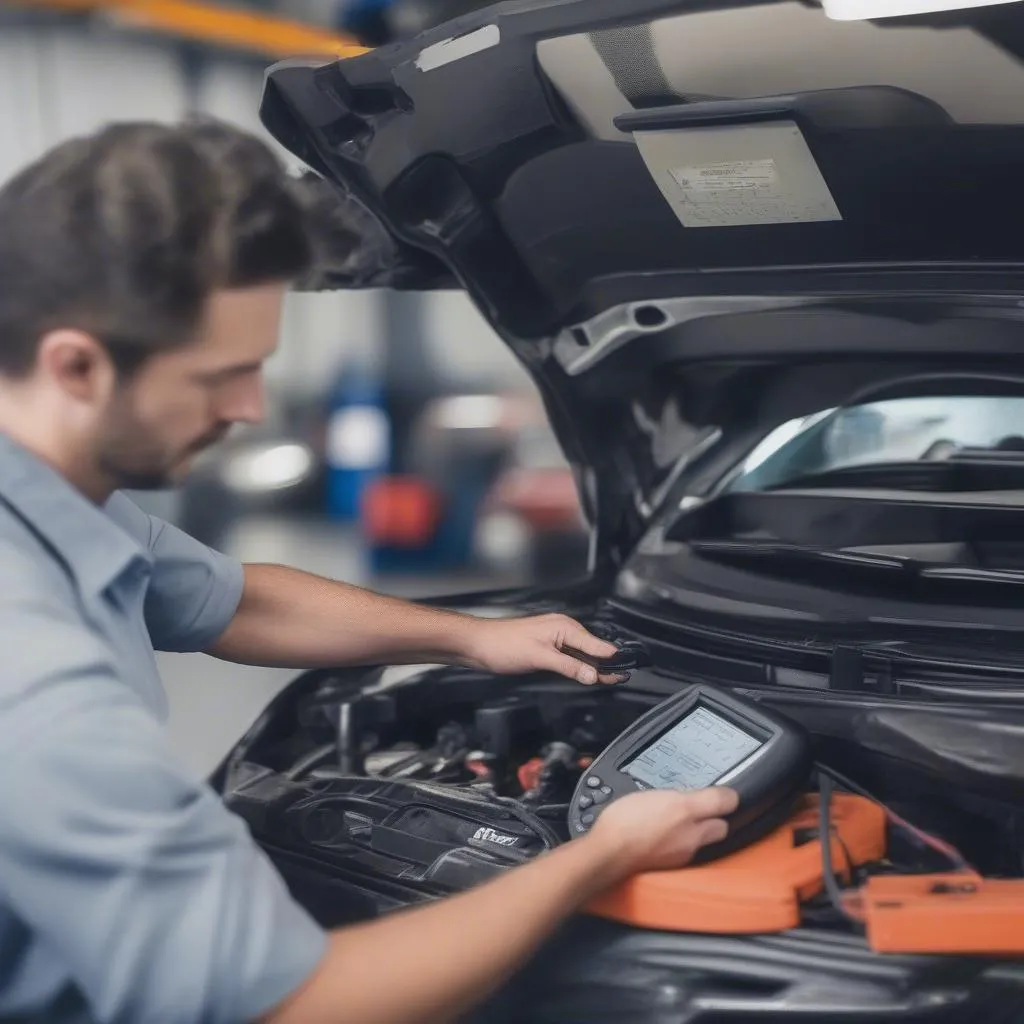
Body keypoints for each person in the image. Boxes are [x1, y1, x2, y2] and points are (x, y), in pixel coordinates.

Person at [0, 119, 739, 1024]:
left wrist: (474, 639)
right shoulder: (35, 682)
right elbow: (300, 1006)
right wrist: (598, 859)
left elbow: (232, 600)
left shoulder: (55, 501)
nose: (248, 407)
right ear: (74, 365)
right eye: (221, 375)